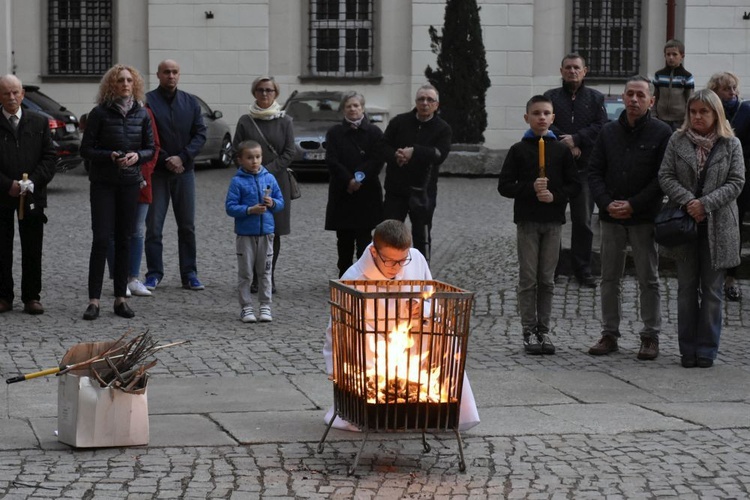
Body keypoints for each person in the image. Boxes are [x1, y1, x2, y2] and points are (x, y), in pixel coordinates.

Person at [322, 219, 480, 431]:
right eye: (389, 261)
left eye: (402, 260)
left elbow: (431, 299)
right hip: (374, 349)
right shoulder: (354, 278)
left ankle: (442, 411)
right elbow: (341, 332)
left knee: (447, 337)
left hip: (415, 340)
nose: (396, 268)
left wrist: (421, 308)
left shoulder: (416, 259)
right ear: (374, 252)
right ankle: (377, 408)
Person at [587, 76, 673, 360]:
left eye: (640, 95)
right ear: (622, 97)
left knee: (649, 278)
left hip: (644, 217)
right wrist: (606, 202)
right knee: (609, 278)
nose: (634, 100)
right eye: (630, 94)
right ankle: (609, 333)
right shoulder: (608, 132)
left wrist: (633, 204)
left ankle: (650, 336)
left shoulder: (662, 133)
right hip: (611, 216)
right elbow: (595, 171)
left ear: (652, 100)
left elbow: (662, 178)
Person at [658, 89, 745, 368]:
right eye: (693, 111)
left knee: (712, 290)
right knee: (685, 289)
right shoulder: (677, 139)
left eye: (703, 112)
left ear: (715, 114)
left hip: (718, 226)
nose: (697, 116)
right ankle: (687, 349)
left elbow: (736, 182)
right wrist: (688, 202)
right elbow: (665, 175)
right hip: (685, 225)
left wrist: (704, 204)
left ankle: (706, 350)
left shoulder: (731, 144)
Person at [498, 95, 581, 355]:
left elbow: (575, 185)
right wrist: (529, 189)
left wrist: (555, 195)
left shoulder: (560, 151)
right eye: (536, 113)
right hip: (527, 221)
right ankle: (528, 329)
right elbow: (504, 186)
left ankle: (543, 328)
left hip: (553, 221)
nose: (541, 117)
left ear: (553, 118)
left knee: (547, 279)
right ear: (527, 118)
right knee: (528, 278)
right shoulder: (518, 150)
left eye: (546, 113)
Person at [80, 64, 155, 320]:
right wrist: (110, 156)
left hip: (129, 182)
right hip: (103, 182)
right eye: (120, 80)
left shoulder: (142, 114)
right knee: (101, 239)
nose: (125, 84)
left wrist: (137, 156)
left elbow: (151, 148)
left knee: (124, 238)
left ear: (135, 84)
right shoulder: (99, 113)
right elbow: (86, 150)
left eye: (129, 80)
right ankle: (94, 300)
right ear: (112, 85)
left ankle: (121, 299)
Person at [544, 53, 608, 287]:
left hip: (584, 169)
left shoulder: (595, 98)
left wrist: (578, 140)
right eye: (568, 68)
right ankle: (555, 268)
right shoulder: (550, 97)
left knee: (583, 221)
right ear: (561, 71)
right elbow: (547, 122)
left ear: (585, 71)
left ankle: (583, 269)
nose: (572, 71)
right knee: (554, 220)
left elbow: (601, 126)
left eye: (576, 68)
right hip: (557, 169)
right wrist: (566, 144)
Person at [144, 59, 207, 292]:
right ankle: (153, 273)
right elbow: (145, 137)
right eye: (166, 72)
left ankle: (189, 273)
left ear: (179, 75)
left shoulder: (190, 102)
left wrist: (182, 157)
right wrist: (166, 159)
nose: (171, 76)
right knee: (153, 227)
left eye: (175, 72)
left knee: (187, 226)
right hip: (158, 173)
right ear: (158, 74)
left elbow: (200, 134)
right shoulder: (147, 102)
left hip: (185, 172)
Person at [232, 76, 295, 293]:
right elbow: (235, 151)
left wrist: (266, 171)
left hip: (276, 183)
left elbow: (289, 152)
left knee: (272, 231)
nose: (265, 93)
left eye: (269, 90)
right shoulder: (245, 121)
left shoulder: (285, 121)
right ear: (254, 92)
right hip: (249, 184)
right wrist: (250, 170)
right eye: (260, 90)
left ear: (275, 93)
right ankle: (253, 276)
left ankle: (268, 275)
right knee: (252, 231)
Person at [0, 74, 56, 315]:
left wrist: (33, 181)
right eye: (6, 93)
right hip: (2, 194)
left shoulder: (39, 122)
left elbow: (50, 157)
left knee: (32, 247)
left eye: (15, 92)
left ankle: (32, 296)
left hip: (33, 195)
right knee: (1, 247)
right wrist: (7, 184)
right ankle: (3, 296)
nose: (11, 97)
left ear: (23, 94)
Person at [379, 84, 451, 262]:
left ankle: (420, 275)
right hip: (396, 190)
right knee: (390, 233)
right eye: (421, 99)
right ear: (416, 102)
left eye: (430, 100)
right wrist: (395, 155)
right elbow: (382, 146)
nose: (425, 103)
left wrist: (415, 152)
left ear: (436, 105)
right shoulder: (399, 122)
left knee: (421, 236)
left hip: (423, 192)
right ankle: (388, 270)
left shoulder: (443, 128)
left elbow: (439, 155)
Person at [324, 91, 384, 277]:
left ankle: (364, 273)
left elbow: (377, 159)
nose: (352, 109)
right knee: (344, 237)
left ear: (363, 108)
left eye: (356, 105)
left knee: (365, 237)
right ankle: (344, 273)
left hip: (366, 193)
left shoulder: (374, 132)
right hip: (343, 191)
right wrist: (348, 180)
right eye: (349, 106)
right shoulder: (334, 133)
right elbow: (332, 160)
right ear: (343, 109)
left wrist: (359, 178)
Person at [225, 140, 284, 323]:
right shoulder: (237, 181)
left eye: (257, 157)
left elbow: (280, 202)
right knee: (246, 273)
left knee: (265, 271)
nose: (254, 161)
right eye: (249, 158)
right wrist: (249, 210)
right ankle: (246, 307)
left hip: (266, 233)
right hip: (245, 234)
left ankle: (265, 306)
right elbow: (230, 207)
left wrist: (272, 203)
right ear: (240, 160)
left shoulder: (269, 178)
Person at [105, 106, 160, 298]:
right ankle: (118, 278)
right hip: (116, 180)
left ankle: (132, 277)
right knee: (114, 230)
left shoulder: (145, 112)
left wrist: (144, 172)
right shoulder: (107, 112)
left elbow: (154, 147)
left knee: (136, 230)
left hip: (141, 180)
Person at [706, 72, 750, 302]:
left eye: (734, 88)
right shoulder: (707, 111)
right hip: (712, 178)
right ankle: (710, 277)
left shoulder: (746, 110)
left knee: (735, 228)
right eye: (726, 89)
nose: (732, 93)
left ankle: (731, 279)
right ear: (715, 91)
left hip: (741, 177)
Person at [653, 39, 695, 131]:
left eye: (674, 54)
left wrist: (688, 119)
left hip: (679, 120)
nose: (671, 57)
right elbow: (655, 96)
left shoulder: (687, 77)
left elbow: (690, 99)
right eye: (668, 54)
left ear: (682, 56)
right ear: (664, 55)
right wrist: (654, 114)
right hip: (661, 119)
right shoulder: (659, 75)